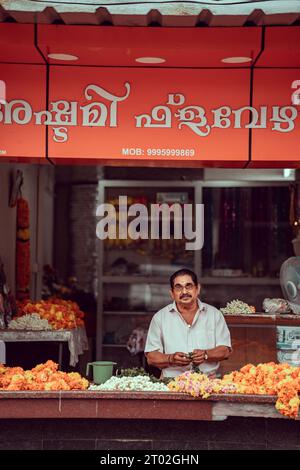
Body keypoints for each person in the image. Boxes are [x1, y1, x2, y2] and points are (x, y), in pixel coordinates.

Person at [145, 268, 231, 378]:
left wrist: (206, 354)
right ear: (172, 293)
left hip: (208, 385)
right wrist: (171, 359)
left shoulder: (214, 315)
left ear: (197, 288)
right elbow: (151, 358)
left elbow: (225, 350)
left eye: (189, 286)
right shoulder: (160, 318)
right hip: (171, 384)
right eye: (178, 287)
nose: (184, 292)